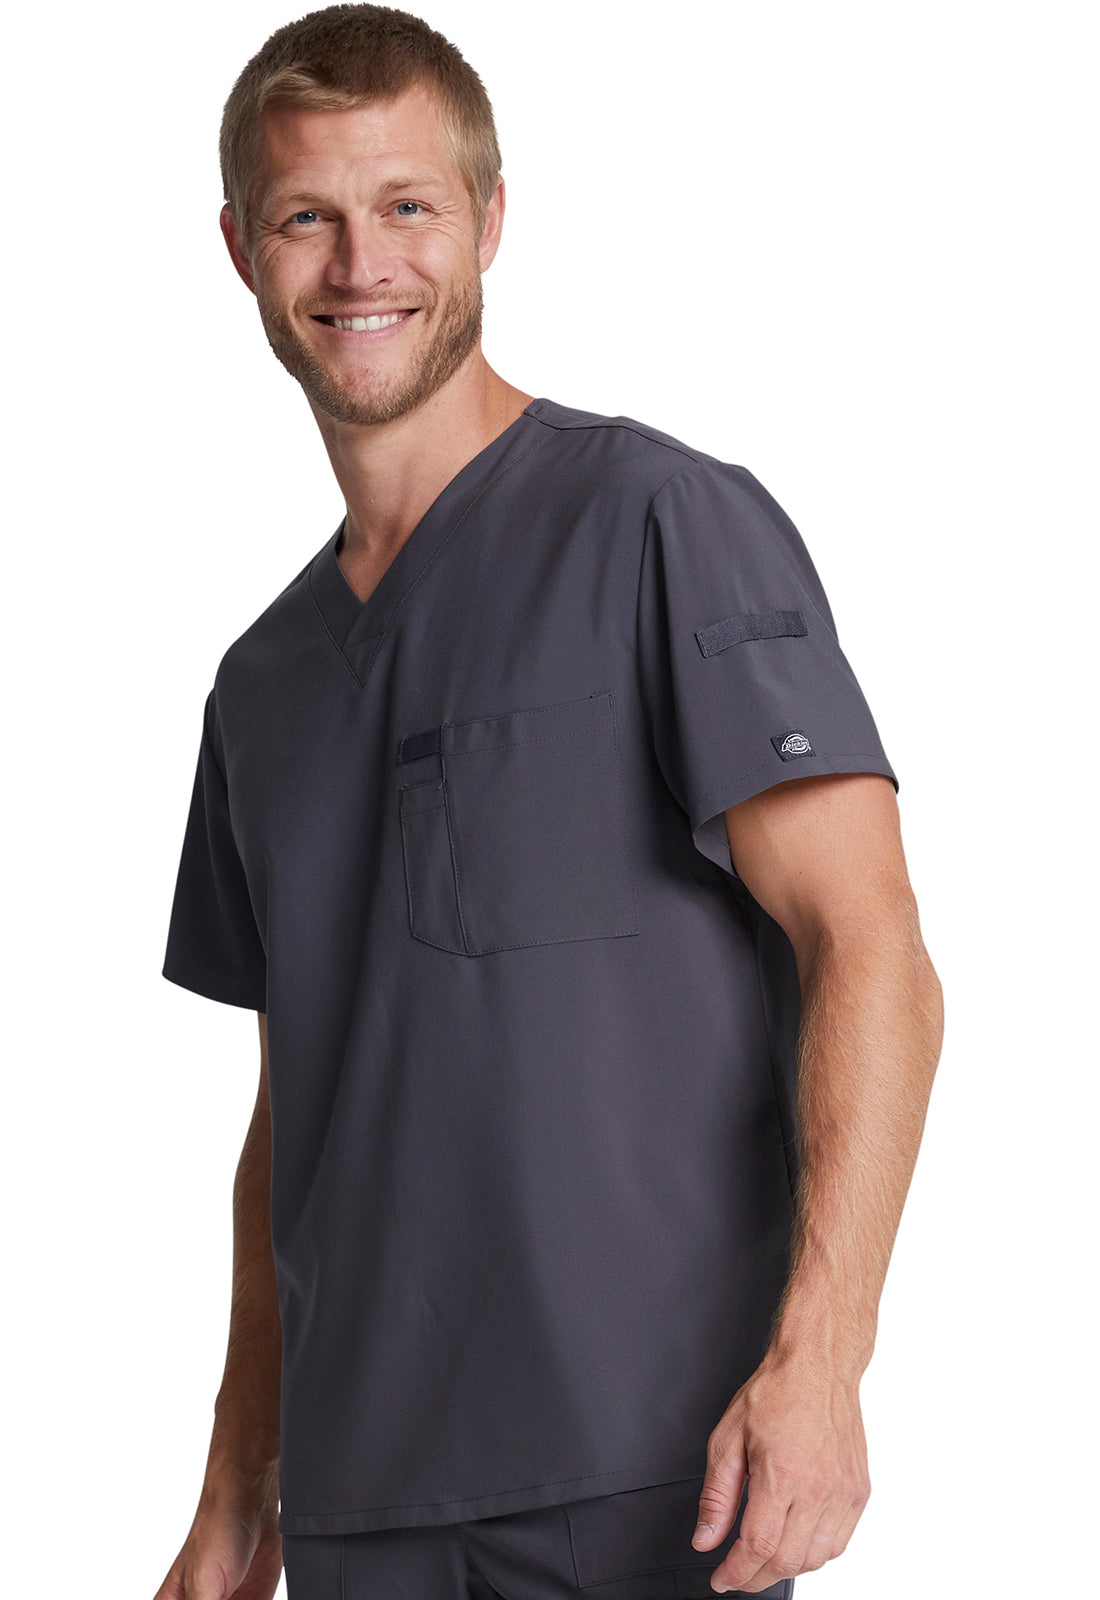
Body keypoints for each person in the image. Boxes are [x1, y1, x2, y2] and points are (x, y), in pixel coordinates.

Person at [153, 7, 944, 1600]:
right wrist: (242, 1474)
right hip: (362, 1505)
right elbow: (295, 1111)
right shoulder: (262, 686)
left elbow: (871, 947)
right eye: (307, 216)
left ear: (491, 220)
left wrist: (824, 1362)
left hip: (650, 1478)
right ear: (241, 249)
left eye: (409, 205)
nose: (360, 264)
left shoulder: (660, 525)